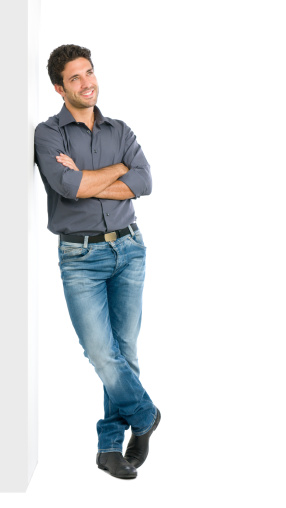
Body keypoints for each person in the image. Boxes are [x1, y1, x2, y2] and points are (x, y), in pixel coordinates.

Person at [34, 44, 160, 480]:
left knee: (125, 353)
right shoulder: (48, 134)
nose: (87, 82)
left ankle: (110, 447)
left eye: (89, 72)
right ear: (58, 87)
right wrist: (115, 170)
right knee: (101, 353)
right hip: (79, 256)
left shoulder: (119, 128)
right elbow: (67, 186)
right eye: (75, 77)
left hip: (129, 248)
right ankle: (145, 416)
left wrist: (93, 179)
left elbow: (143, 180)